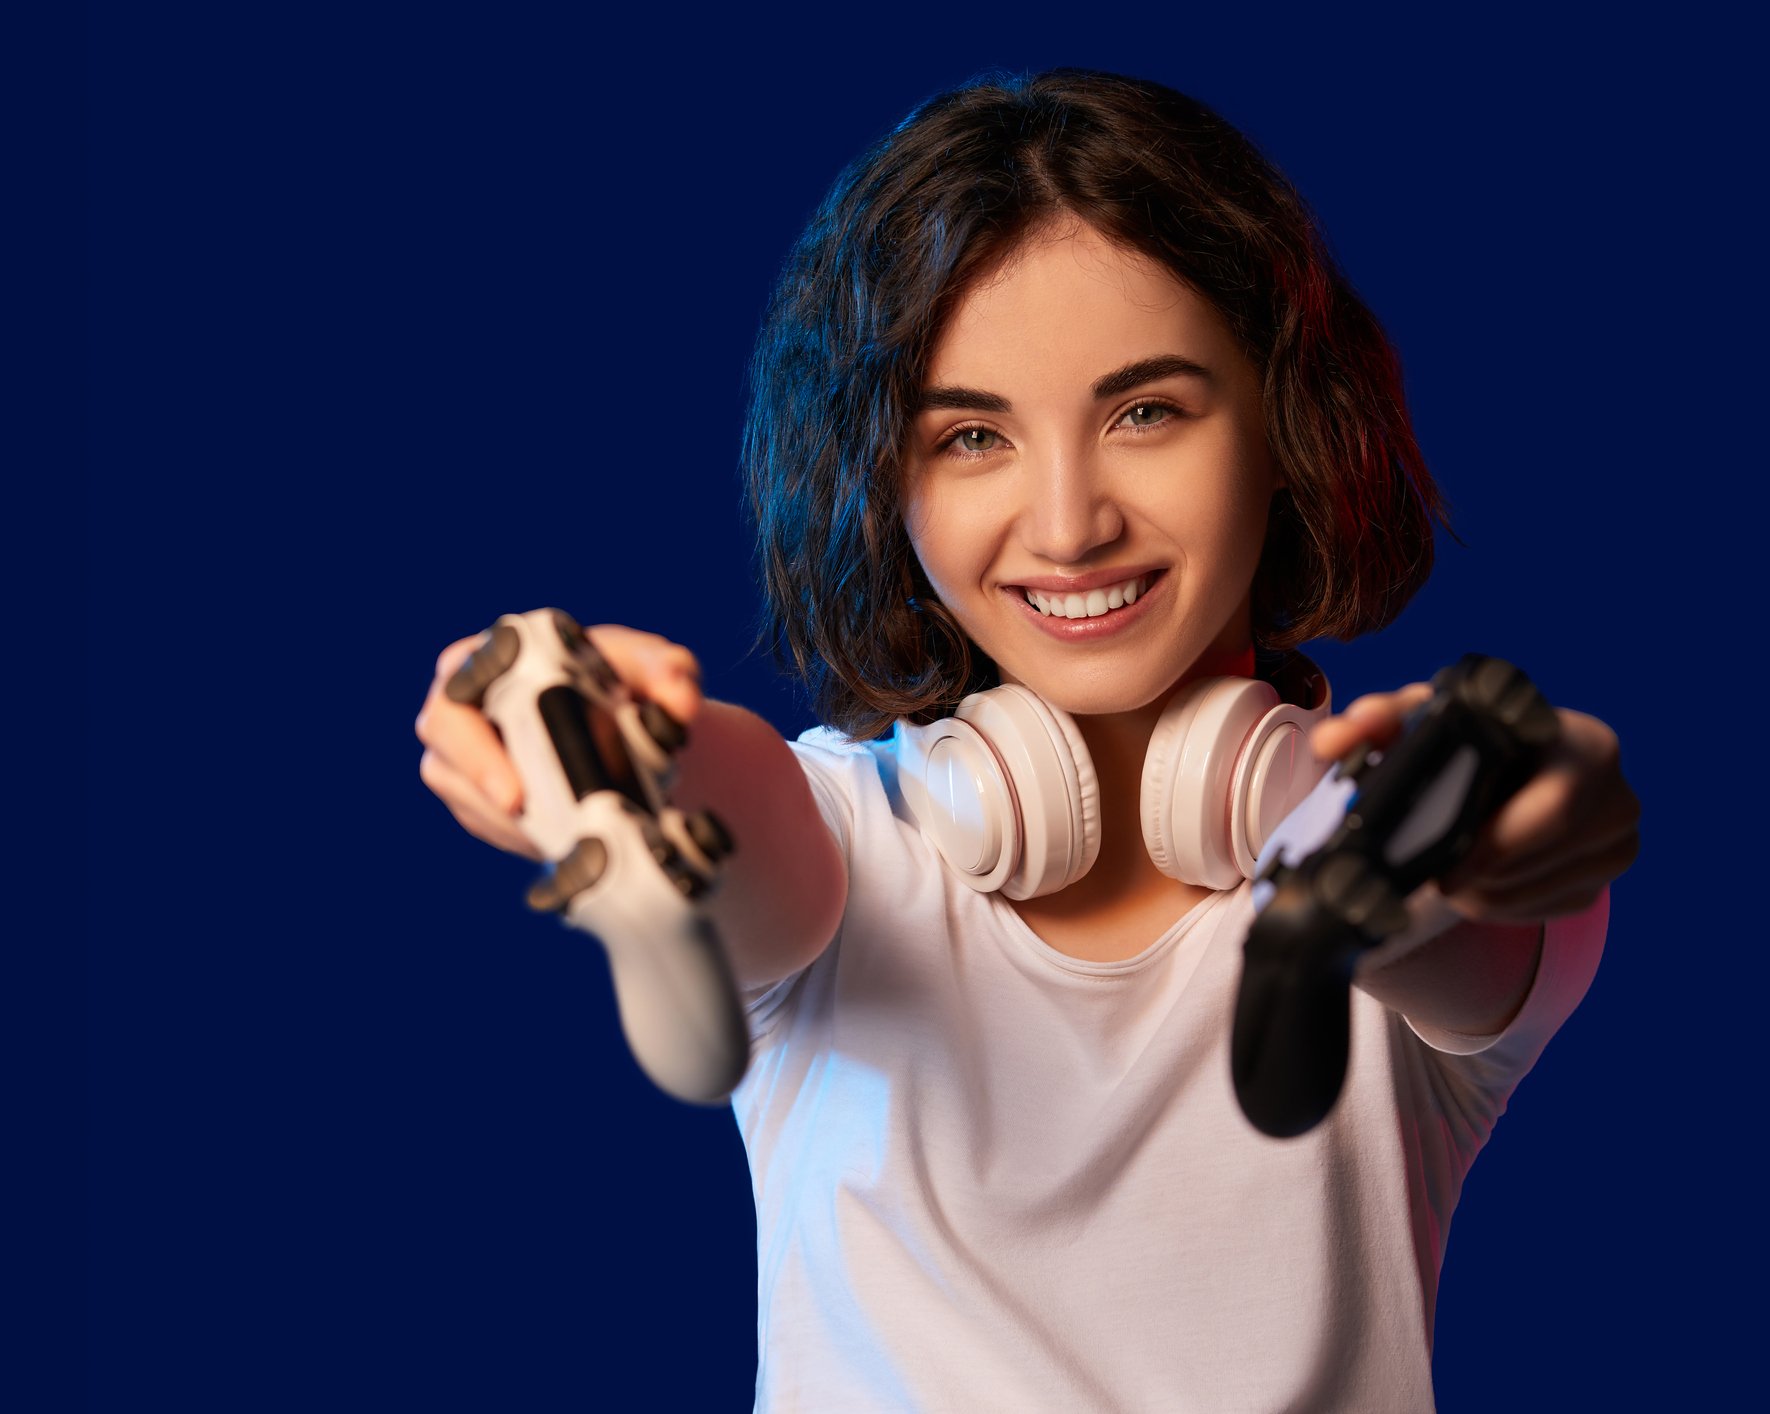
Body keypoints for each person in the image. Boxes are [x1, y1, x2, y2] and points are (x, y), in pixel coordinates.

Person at [414, 69, 1639, 1412]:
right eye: (973, 435)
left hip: (1349, 848)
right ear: (891, 482)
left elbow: (1483, 897)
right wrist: (625, 737)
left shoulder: (1372, 862)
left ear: (1283, 427)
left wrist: (1525, 801)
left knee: (1406, 831)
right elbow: (749, 813)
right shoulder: (855, 838)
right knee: (695, 833)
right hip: (1317, 842)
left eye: (1146, 412)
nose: (1067, 525)